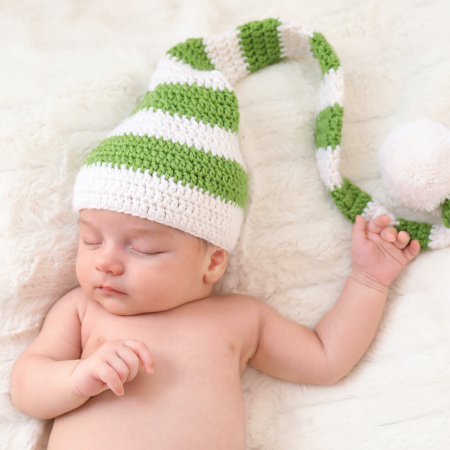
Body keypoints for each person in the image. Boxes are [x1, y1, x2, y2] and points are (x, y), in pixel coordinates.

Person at [10, 19, 421, 450]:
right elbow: (27, 388)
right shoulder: (82, 311)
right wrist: (79, 376)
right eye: (91, 239)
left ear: (212, 262)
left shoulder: (240, 319)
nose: (105, 261)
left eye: (143, 247)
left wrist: (369, 281)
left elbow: (326, 358)